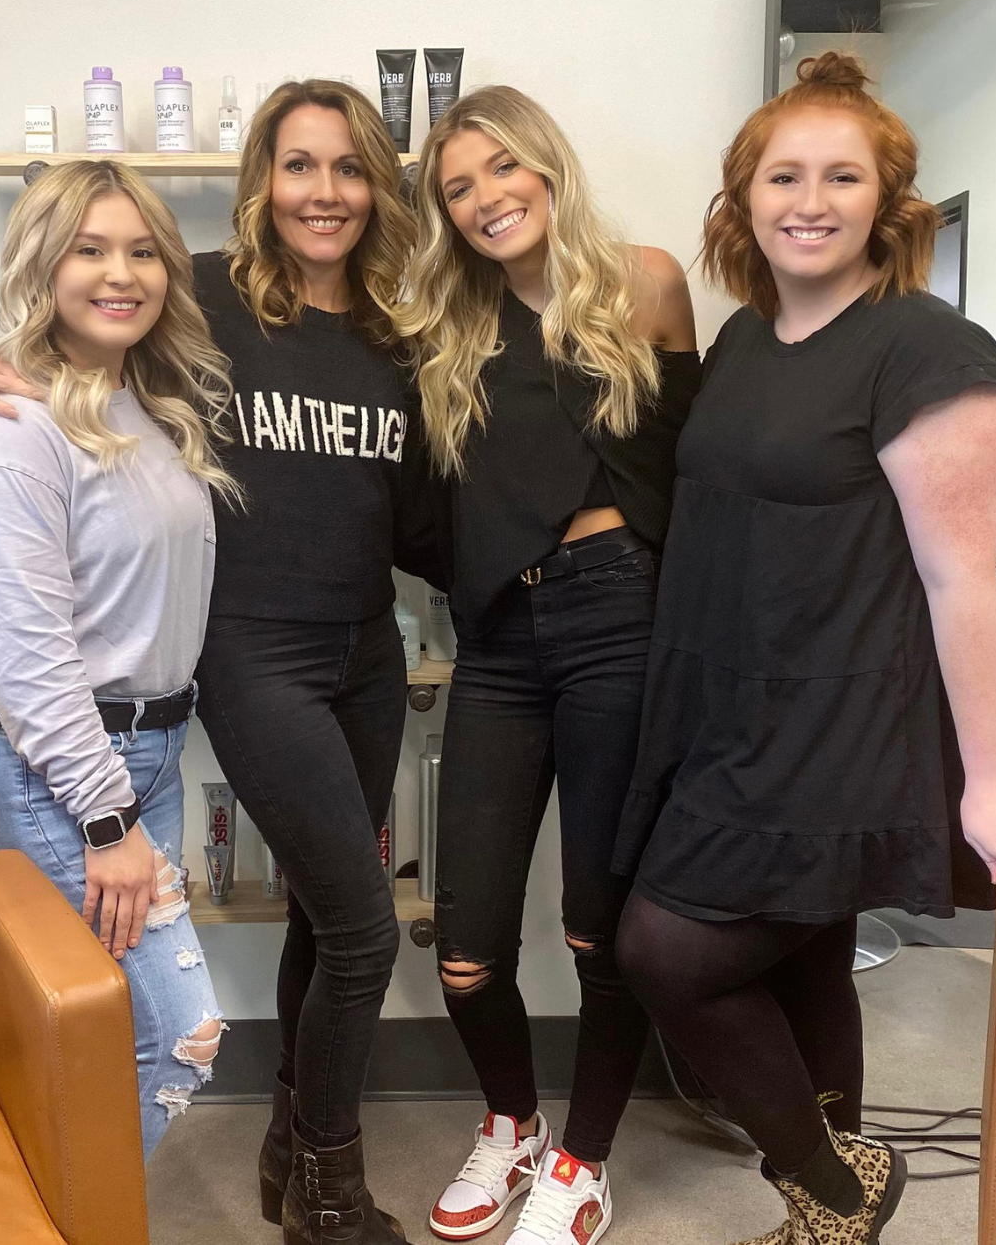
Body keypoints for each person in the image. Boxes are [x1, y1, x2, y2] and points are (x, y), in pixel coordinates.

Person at [0, 81, 428, 1245]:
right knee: (359, 931)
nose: (324, 191)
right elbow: (60, 328)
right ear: (262, 180)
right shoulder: (201, 291)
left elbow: (419, 511)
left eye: (349, 167)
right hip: (251, 658)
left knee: (328, 912)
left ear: (378, 186)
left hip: (365, 652)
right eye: (299, 164)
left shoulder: (394, 336)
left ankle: (285, 1152)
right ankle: (324, 1193)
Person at [612, 52, 996, 1245]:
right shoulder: (746, 340)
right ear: (743, 198)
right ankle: (828, 1225)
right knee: (805, 958)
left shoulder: (928, 351)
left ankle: (835, 1181)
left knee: (665, 951)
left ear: (888, 202)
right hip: (728, 707)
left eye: (842, 177)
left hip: (836, 719)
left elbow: (963, 582)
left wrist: (995, 781)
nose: (809, 201)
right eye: (784, 176)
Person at [398, 86, 700, 1245]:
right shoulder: (443, 329)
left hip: (621, 620)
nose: (485, 198)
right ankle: (513, 1123)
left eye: (501, 168)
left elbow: (695, 469)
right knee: (466, 946)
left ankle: (585, 1157)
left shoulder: (645, 283)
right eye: (457, 188)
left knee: (595, 929)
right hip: (499, 646)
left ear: (546, 166)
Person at [0, 158, 237, 1160]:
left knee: (108, 1038)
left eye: (143, 251)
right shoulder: (13, 429)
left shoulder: (148, 405)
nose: (121, 273)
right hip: (58, 772)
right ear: (43, 264)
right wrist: (106, 817)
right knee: (179, 1037)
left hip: (144, 759)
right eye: (90, 249)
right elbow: (25, 654)